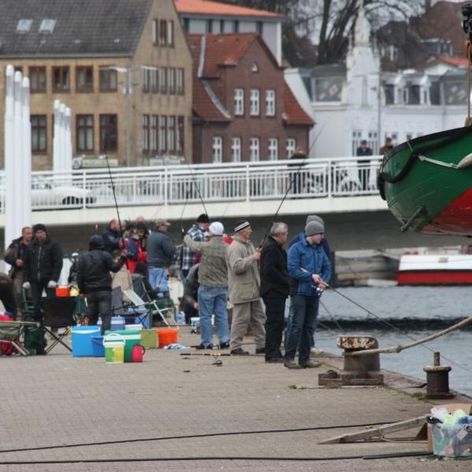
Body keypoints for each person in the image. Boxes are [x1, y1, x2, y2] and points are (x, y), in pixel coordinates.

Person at [285, 219, 331, 369]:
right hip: (299, 292)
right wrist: (310, 276)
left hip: (314, 293)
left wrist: (323, 281)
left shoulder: (319, 249)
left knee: (309, 326)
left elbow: (327, 267)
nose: (322, 237)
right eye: (320, 234)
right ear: (312, 233)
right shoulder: (296, 249)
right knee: (296, 324)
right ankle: (289, 358)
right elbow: (292, 269)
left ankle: (305, 359)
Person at [184, 221, 230, 349]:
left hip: (207, 286)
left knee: (205, 316)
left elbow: (192, 245)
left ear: (212, 232)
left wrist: (186, 236)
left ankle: (207, 342)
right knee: (221, 314)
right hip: (223, 286)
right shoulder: (227, 247)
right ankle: (225, 339)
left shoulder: (206, 246)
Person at [227, 220, 266, 355]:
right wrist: (253, 257)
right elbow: (237, 267)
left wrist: (255, 256)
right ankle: (235, 347)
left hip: (253, 290)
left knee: (258, 318)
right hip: (242, 291)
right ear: (242, 232)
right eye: (249, 229)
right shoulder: (235, 247)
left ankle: (262, 345)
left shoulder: (248, 244)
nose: (251, 231)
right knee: (240, 320)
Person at [77, 235, 127, 334]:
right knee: (106, 316)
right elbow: (115, 268)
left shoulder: (83, 258)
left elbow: (80, 277)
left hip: (90, 292)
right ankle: (105, 337)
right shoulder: (105, 255)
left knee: (92, 317)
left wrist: (82, 291)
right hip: (104, 290)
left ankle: (91, 338)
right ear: (101, 244)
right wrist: (122, 258)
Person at [260, 222, 289, 363]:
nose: (286, 237)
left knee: (277, 322)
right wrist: (286, 280)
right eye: (285, 234)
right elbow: (269, 270)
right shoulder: (271, 248)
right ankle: (272, 353)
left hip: (275, 291)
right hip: (273, 291)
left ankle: (274, 351)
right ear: (280, 235)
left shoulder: (273, 247)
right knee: (274, 323)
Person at [22, 224, 63, 321]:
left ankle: (53, 325)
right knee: (36, 304)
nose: (39, 235)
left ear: (45, 233)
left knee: (51, 302)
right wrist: (26, 279)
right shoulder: (31, 246)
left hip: (49, 279)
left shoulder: (54, 244)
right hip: (34, 280)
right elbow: (26, 264)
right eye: (37, 233)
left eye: (41, 232)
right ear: (35, 234)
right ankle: (39, 325)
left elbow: (58, 263)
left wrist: (54, 279)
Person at [4, 226, 33, 318]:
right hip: (18, 272)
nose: (30, 235)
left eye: (31, 233)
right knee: (17, 292)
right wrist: (15, 261)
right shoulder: (15, 244)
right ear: (23, 234)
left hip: (32, 273)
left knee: (31, 294)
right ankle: (18, 313)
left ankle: (30, 313)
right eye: (28, 233)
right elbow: (6, 256)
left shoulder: (35, 244)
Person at [147, 219, 175, 297]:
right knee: (162, 288)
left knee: (153, 288)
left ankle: (154, 305)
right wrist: (174, 248)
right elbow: (170, 252)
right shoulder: (164, 238)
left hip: (150, 266)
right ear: (160, 226)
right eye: (165, 226)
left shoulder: (150, 236)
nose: (166, 227)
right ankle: (163, 305)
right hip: (161, 266)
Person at [180, 213, 210, 283]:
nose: (208, 227)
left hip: (185, 266)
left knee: (188, 289)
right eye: (207, 225)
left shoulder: (190, 231)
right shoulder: (199, 234)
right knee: (195, 290)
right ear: (204, 224)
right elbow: (200, 250)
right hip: (193, 267)